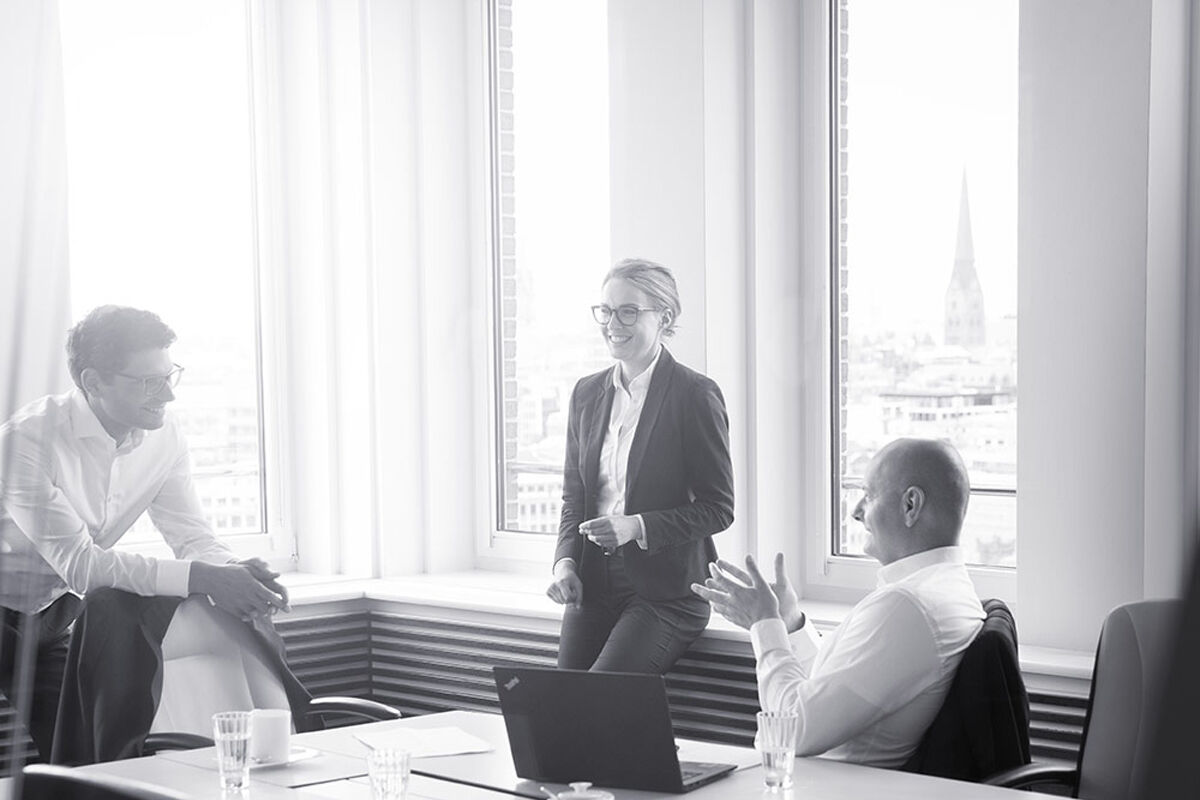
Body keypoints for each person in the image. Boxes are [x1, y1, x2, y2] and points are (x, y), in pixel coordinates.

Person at [0, 306, 301, 763]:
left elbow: (192, 536)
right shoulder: (25, 442)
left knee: (86, 760)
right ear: (93, 382)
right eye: (148, 382)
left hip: (54, 613)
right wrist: (204, 577)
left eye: (169, 376)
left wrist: (232, 571)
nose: (168, 395)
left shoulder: (165, 437)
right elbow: (82, 565)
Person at [691, 438, 985, 767]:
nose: (856, 512)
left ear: (910, 505)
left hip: (823, 784)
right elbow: (832, 690)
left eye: (869, 495)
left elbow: (791, 731)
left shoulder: (907, 607)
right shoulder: (942, 587)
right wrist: (789, 623)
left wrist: (764, 624)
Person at [545, 258, 734, 673]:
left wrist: (636, 526)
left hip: (667, 594)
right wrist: (565, 564)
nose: (613, 324)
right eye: (606, 311)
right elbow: (574, 497)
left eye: (628, 311)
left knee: (601, 697)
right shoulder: (586, 394)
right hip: (593, 583)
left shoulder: (695, 395)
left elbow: (718, 508)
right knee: (562, 700)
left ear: (664, 317)